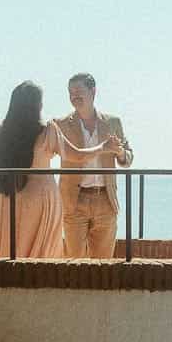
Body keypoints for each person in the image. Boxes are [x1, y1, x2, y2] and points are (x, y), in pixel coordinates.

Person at [0, 80, 64, 259]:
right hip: (41, 195)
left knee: (10, 247)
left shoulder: (1, 132)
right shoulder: (47, 131)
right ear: (37, 105)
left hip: (10, 193)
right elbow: (75, 155)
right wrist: (103, 147)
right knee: (39, 254)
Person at [54, 72, 132, 259]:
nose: (74, 96)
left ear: (93, 91)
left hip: (105, 200)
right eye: (70, 92)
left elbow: (128, 158)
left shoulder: (113, 123)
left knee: (103, 263)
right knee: (73, 262)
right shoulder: (60, 124)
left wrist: (119, 152)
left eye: (78, 91)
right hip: (74, 201)